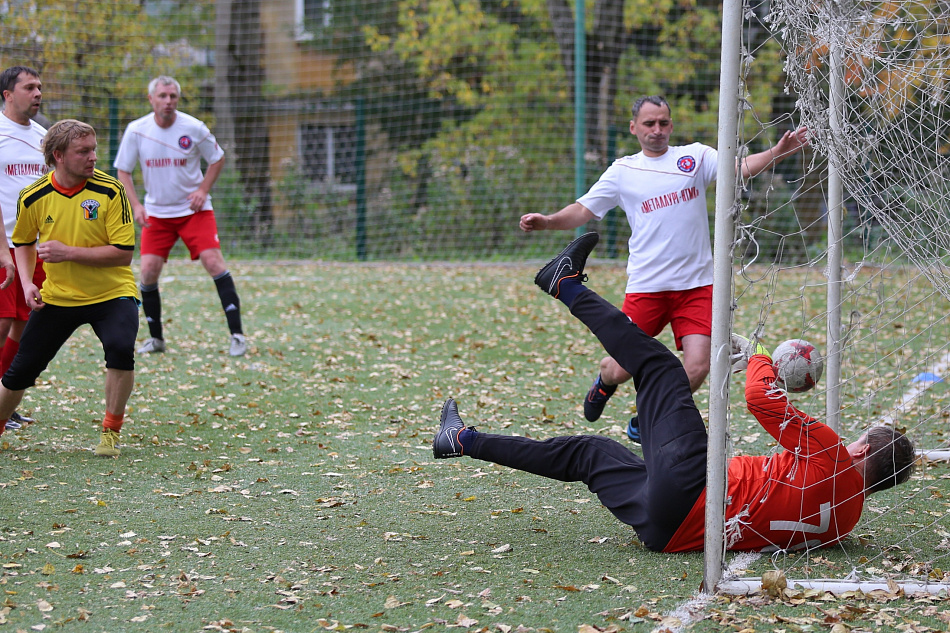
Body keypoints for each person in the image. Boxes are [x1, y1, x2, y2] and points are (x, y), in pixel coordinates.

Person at [433, 233, 916, 552]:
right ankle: (462, 441)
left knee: (663, 367)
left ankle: (564, 284)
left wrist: (762, 356)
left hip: (694, 487)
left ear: (860, 448)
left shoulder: (834, 454)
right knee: (587, 453)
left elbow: (760, 401)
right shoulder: (847, 522)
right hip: (667, 533)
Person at [519, 96, 809, 444]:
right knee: (620, 368)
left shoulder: (695, 157)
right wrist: (546, 222)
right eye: (649, 124)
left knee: (699, 366)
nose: (657, 130)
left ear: (671, 125)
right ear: (634, 128)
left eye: (663, 123)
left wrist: (776, 152)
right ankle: (605, 380)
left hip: (698, 285)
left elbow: (739, 167)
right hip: (647, 287)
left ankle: (646, 419)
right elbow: (583, 211)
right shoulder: (622, 171)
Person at [0, 119, 139, 457]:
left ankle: (110, 432)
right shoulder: (33, 196)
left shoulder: (111, 191)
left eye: (93, 149)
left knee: (120, 349)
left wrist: (67, 252)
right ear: (59, 155)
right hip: (59, 298)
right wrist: (30, 281)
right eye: (83, 151)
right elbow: (23, 243)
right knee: (21, 370)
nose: (93, 157)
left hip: (112, 293)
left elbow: (122, 255)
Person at [114, 76, 247, 357]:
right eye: (162, 96)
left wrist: (202, 189)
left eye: (173, 96)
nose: (168, 101)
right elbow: (123, 171)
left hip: (193, 211)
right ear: (151, 99)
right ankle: (156, 339)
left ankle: (237, 336)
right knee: (148, 271)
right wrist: (137, 206)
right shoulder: (137, 130)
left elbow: (217, 158)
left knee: (213, 262)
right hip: (157, 214)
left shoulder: (193, 127)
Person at [0, 66, 50, 431]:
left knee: (24, 323)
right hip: (2, 244)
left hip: (33, 247)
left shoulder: (45, 137)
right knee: (2, 321)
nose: (37, 93)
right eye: (29, 87)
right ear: (7, 94)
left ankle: (5, 401)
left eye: (40, 87)